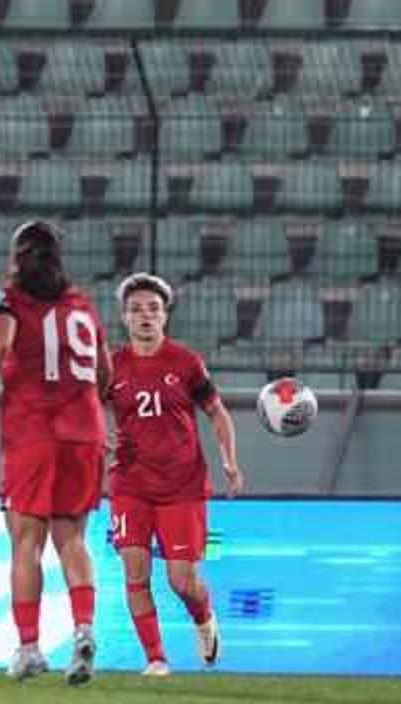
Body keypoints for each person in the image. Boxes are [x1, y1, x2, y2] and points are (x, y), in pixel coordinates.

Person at [0, 220, 109, 686]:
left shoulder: (8, 301)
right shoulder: (82, 306)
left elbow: (1, 340)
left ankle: (29, 647)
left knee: (26, 542)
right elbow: (105, 373)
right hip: (85, 433)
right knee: (72, 539)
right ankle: (83, 631)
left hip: (34, 432)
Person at [106, 272, 242, 678]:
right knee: (135, 571)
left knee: (181, 581)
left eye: (153, 308)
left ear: (165, 316)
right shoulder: (111, 366)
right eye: (136, 309)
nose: (145, 315)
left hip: (182, 485)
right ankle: (156, 659)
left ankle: (204, 619)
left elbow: (216, 412)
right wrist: (100, 435)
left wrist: (229, 461)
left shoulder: (185, 363)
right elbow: (87, 407)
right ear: (125, 318)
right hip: (130, 484)